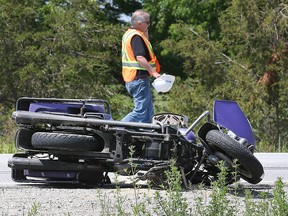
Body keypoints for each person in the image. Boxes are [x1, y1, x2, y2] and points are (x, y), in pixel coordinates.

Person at [121, 9, 161, 123]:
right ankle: (116, 129)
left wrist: (146, 31)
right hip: (138, 79)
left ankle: (149, 139)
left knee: (148, 113)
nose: (149, 25)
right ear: (139, 23)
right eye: (147, 23)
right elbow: (140, 58)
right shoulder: (136, 37)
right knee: (140, 112)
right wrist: (153, 72)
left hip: (133, 78)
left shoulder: (130, 34)